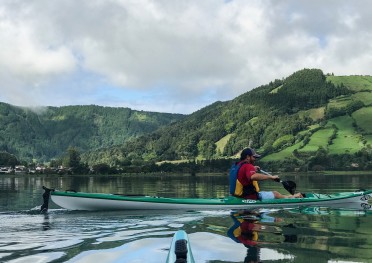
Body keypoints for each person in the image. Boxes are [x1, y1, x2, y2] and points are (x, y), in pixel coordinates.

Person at [232, 147, 302, 200]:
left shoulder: (238, 165)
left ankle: (293, 196)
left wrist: (253, 168)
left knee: (277, 194)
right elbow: (253, 176)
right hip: (249, 197)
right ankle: (294, 197)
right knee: (276, 194)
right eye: (254, 157)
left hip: (238, 196)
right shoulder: (248, 166)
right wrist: (270, 177)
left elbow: (243, 172)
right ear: (247, 157)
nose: (255, 159)